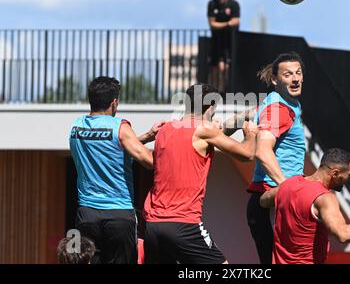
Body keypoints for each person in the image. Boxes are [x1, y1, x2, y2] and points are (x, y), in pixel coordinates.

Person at [143, 83, 258, 264]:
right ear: (211, 107)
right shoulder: (205, 130)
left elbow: (202, 136)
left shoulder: (165, 129)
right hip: (184, 224)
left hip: (153, 225)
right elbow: (247, 154)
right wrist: (250, 134)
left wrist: (245, 115)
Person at [69, 76, 163, 264]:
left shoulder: (76, 128)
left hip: (87, 215)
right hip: (118, 215)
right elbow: (149, 161)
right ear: (114, 102)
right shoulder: (120, 126)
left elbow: (109, 144)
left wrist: (147, 136)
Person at [260, 148, 350, 264]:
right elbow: (343, 234)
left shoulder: (289, 185)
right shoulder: (325, 198)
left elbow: (263, 200)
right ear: (335, 173)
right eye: (349, 174)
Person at [246, 52, 306, 264]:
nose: (295, 78)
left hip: (273, 198)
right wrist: (290, 189)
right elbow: (263, 150)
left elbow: (245, 115)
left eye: (298, 73)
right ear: (275, 79)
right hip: (271, 199)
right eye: (288, 74)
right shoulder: (279, 109)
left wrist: (220, 129)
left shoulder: (279, 102)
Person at [207, 0, 240, 94]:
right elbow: (212, 23)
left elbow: (236, 21)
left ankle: (226, 91)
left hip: (230, 41)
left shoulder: (234, 4)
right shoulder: (212, 4)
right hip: (216, 41)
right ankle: (214, 91)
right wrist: (227, 24)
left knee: (227, 68)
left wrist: (220, 24)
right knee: (215, 68)